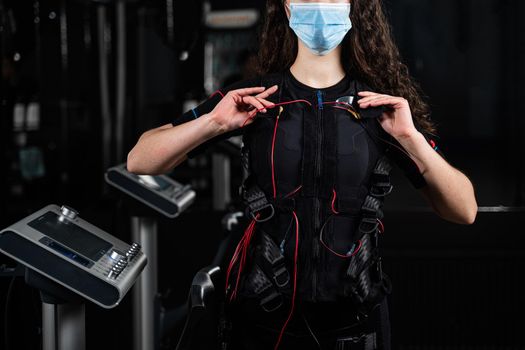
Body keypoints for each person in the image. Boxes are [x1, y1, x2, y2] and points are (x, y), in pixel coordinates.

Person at [127, 0, 478, 349]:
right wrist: (213, 122)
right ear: (287, 7)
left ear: (353, 6)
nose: (320, 6)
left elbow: (464, 210)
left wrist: (411, 139)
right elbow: (140, 160)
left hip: (356, 328)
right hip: (260, 325)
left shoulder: (380, 107)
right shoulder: (256, 98)